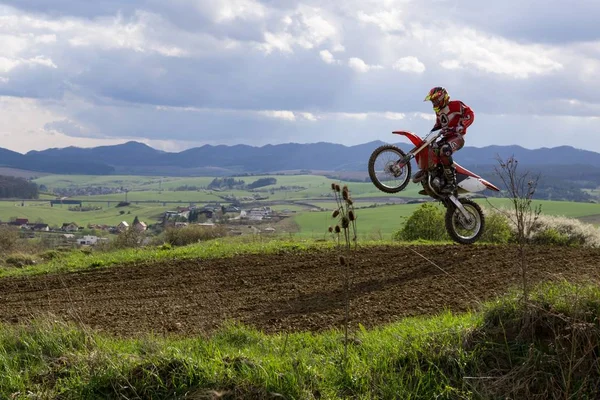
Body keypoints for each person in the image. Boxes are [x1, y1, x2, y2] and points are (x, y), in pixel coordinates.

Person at [413, 86, 474, 195]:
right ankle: (435, 180)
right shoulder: (439, 112)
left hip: (458, 137)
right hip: (446, 137)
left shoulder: (455, 105)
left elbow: (470, 114)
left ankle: (452, 182)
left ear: (443, 98)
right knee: (432, 149)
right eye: (433, 101)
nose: (434, 103)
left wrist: (462, 125)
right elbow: (438, 125)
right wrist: (429, 136)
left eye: (435, 100)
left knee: (444, 150)